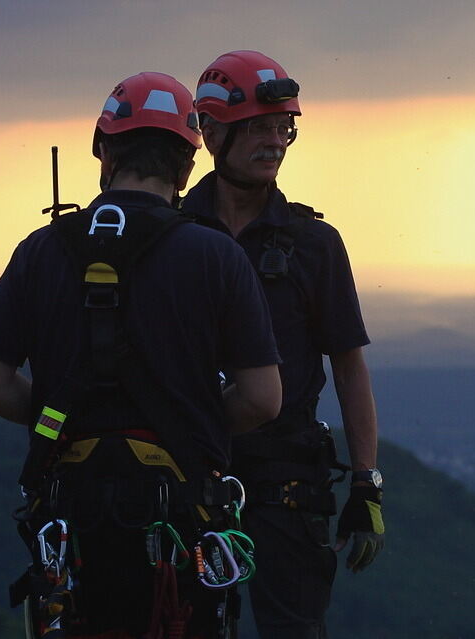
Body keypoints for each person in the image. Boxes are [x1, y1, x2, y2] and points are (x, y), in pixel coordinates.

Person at [0, 71, 282, 638]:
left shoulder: (43, 249)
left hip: (72, 523)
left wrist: (55, 416)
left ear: (103, 153)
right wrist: (194, 421)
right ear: (187, 168)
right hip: (179, 523)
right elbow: (262, 399)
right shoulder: (216, 256)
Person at [182, 50, 384, 638]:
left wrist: (367, 482)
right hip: (189, 474)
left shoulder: (313, 243)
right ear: (212, 131)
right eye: (260, 128)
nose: (276, 142)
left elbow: (349, 367)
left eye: (283, 128)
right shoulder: (171, 234)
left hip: (287, 482)